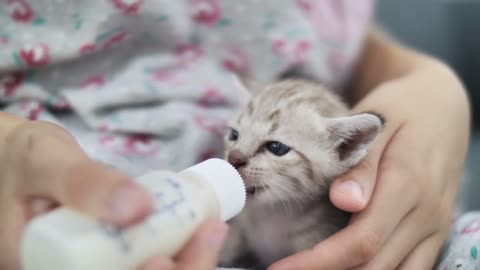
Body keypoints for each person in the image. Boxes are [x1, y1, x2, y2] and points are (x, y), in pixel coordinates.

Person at [0, 1, 470, 270]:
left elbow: (341, 36)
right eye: (234, 136)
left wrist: (427, 79)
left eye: (274, 148)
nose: (236, 155)